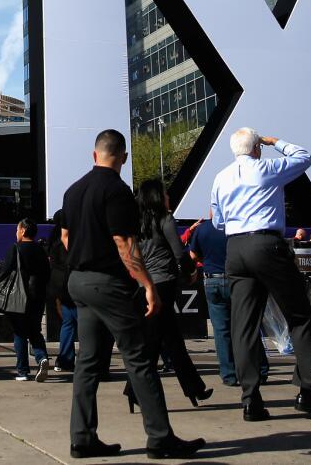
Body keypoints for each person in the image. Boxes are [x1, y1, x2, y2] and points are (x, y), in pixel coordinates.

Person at [59, 129, 204, 460]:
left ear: (94, 154)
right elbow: (124, 243)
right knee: (138, 358)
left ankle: (81, 438)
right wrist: (148, 285)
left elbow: (66, 237)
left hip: (78, 281)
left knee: (88, 362)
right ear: (123, 157)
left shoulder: (73, 191)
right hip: (108, 284)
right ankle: (160, 438)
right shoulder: (117, 191)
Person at [211, 127, 311, 421]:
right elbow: (304, 157)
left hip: (235, 248)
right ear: (257, 148)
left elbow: (219, 221)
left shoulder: (220, 177)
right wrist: (276, 143)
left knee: (243, 326)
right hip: (266, 244)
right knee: (299, 316)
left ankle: (250, 400)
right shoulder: (266, 167)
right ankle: (308, 391)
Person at [122, 180, 210, 410]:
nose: (169, 197)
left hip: (144, 284)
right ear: (157, 197)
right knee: (158, 341)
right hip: (164, 283)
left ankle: (194, 388)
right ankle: (135, 389)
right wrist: (190, 272)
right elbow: (178, 252)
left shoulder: (136, 222)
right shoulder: (165, 219)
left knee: (169, 339)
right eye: (165, 194)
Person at [190, 214, 269, 388]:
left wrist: (209, 261)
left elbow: (193, 255)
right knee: (248, 325)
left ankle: (229, 374)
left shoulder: (202, 229)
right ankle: (260, 369)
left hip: (213, 280)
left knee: (221, 330)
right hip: (238, 279)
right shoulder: (238, 227)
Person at [0, 218, 51, 382]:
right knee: (35, 329)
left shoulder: (15, 249)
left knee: (20, 332)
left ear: (22, 231)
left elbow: (5, 271)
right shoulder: (41, 250)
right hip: (38, 295)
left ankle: (23, 370)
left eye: (17, 229)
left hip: (19, 297)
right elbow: (47, 273)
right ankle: (42, 357)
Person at [48, 210, 77, 372]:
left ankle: (65, 359)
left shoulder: (54, 240)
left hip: (59, 286)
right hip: (73, 284)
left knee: (67, 323)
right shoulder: (72, 239)